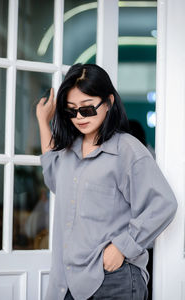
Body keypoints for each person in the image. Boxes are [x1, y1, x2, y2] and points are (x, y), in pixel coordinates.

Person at [36, 63, 178, 300]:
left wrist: (123, 246)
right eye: (71, 111)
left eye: (87, 109)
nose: (79, 117)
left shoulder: (127, 150)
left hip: (114, 281)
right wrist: (43, 121)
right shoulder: (68, 152)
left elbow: (163, 204)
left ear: (109, 102)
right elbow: (52, 174)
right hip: (67, 284)